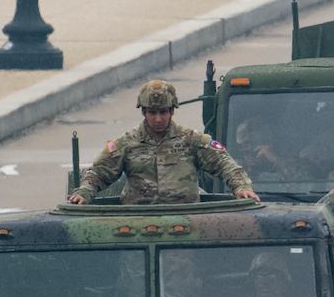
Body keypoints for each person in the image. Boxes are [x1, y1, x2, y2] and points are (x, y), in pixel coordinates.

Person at [69, 81, 259, 206]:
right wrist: (84, 193)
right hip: (137, 224)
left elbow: (224, 163)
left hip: (183, 223)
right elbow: (99, 173)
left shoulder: (192, 140)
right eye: (152, 112)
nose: (158, 119)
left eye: (163, 112)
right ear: (143, 112)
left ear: (172, 111)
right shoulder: (126, 144)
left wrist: (241, 187)